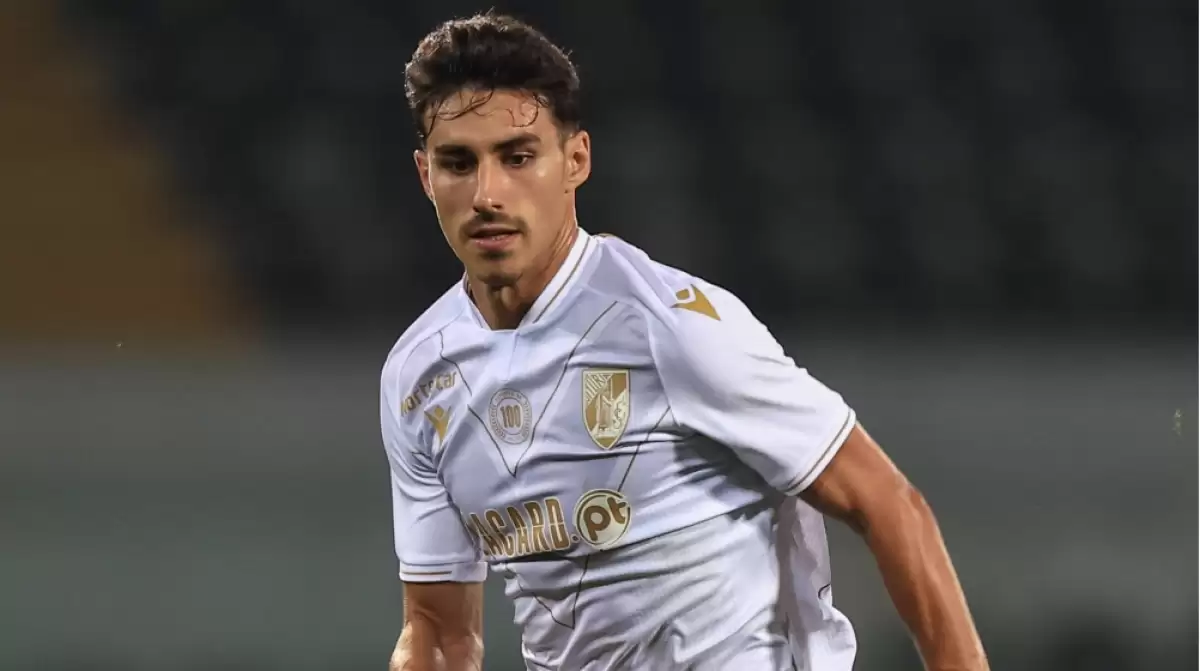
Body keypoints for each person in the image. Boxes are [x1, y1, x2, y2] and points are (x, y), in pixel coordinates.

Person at [382, 11, 988, 671]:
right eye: (458, 163)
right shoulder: (419, 376)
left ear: (575, 161)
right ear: (424, 176)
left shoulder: (673, 327)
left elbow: (887, 503)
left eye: (518, 157)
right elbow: (438, 630)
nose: (487, 194)